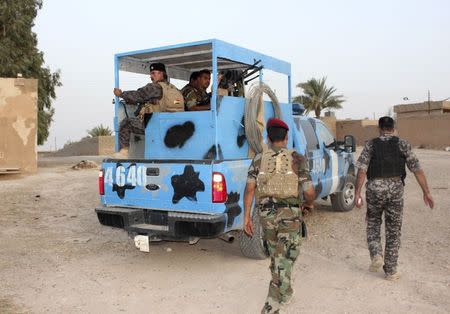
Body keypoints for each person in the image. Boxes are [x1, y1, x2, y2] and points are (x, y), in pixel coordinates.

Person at [243, 118, 315, 314]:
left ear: (268, 137)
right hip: (290, 215)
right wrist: (309, 203)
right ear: (286, 137)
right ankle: (272, 303)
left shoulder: (258, 158)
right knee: (285, 256)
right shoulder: (297, 158)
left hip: (266, 214)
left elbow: (249, 189)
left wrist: (247, 217)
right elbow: (309, 192)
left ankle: (286, 290)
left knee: (278, 255)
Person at [355, 116, 434, 281]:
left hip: (375, 189)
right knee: (393, 230)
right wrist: (426, 192)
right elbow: (417, 170)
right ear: (393, 128)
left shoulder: (371, 144)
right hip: (396, 190)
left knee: (373, 223)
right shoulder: (402, 144)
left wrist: (357, 194)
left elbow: (362, 171)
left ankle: (376, 254)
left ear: (379, 128)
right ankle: (391, 271)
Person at [113, 62, 184, 157]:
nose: (151, 76)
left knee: (127, 123)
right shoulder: (173, 88)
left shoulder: (154, 87)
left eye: (153, 73)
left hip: (156, 126)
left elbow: (138, 95)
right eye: (151, 73)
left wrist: (121, 94)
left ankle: (123, 152)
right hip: (172, 126)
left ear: (161, 73)